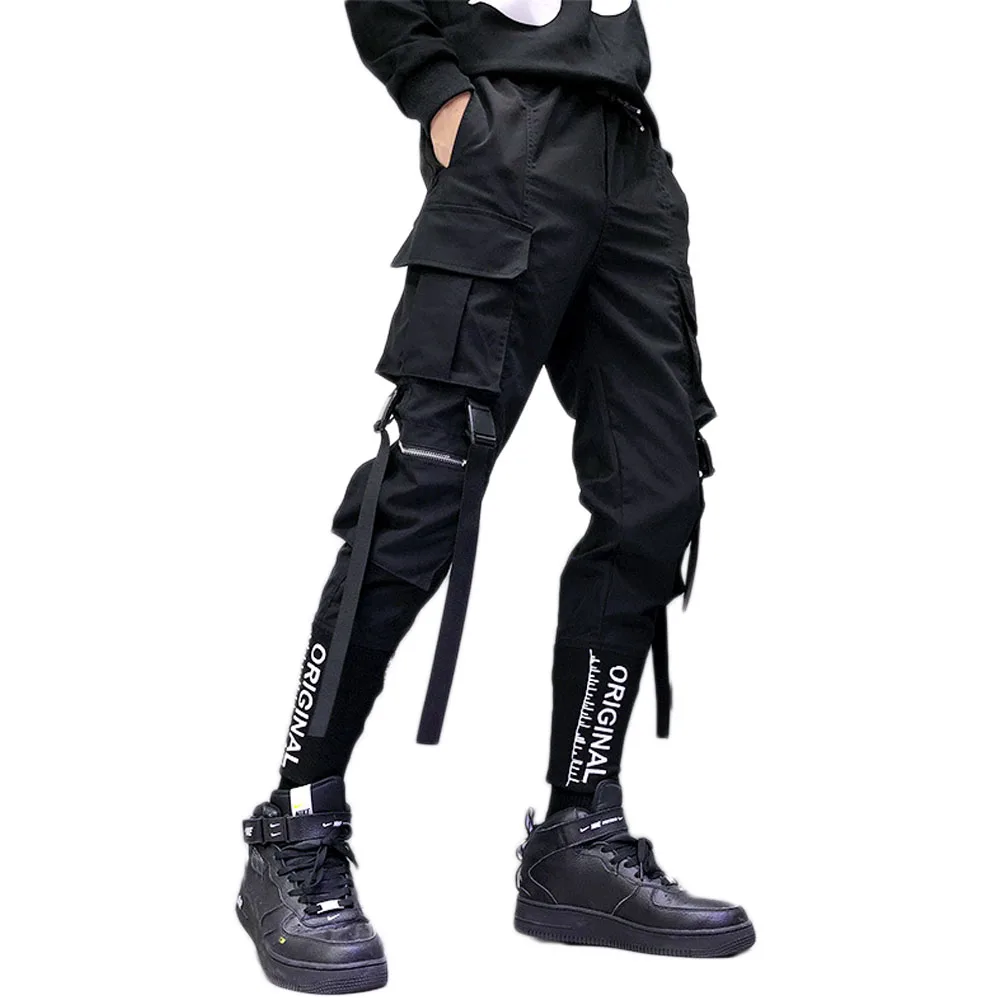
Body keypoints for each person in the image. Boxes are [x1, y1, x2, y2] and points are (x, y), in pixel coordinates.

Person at [236, 1, 754, 992]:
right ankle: (294, 826)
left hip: (628, 158)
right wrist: (439, 95)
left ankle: (578, 834)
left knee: (656, 494)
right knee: (420, 493)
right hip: (507, 144)